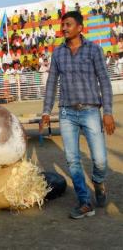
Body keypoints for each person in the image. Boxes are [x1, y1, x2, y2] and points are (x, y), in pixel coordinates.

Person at [41, 11, 115, 219]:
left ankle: (98, 181)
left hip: (91, 110)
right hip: (66, 113)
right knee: (73, 160)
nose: (64, 28)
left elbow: (105, 82)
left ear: (80, 28)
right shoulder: (58, 53)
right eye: (63, 25)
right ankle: (84, 202)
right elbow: (51, 84)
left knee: (100, 160)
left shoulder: (94, 50)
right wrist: (46, 111)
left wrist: (107, 112)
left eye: (68, 24)